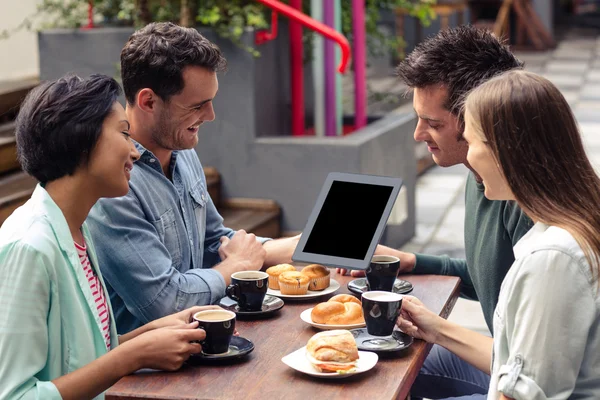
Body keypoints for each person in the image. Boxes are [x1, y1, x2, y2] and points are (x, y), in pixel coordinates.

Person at [336, 26, 532, 398]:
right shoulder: (485, 178)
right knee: (376, 358)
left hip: (523, 382)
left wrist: (436, 328)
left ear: (483, 118)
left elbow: (537, 373)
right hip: (506, 360)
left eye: (434, 123)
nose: (418, 134)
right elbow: (495, 279)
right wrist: (412, 260)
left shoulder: (527, 206)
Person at [0, 74, 220, 400]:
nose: (134, 152)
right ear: (80, 142)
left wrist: (150, 335)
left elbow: (78, 353)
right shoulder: (30, 247)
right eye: (123, 133)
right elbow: (15, 395)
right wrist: (129, 357)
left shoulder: (76, 228)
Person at [397, 69, 600, 399]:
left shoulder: (553, 257)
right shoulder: (564, 227)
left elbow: (524, 393)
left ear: (509, 152)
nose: (470, 160)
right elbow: (519, 363)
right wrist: (433, 327)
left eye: (473, 142)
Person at [86, 22, 299, 334]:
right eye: (198, 105)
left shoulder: (181, 149)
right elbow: (166, 303)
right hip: (144, 373)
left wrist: (301, 247)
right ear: (148, 101)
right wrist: (237, 266)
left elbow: (215, 242)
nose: (211, 115)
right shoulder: (114, 184)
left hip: (203, 341)